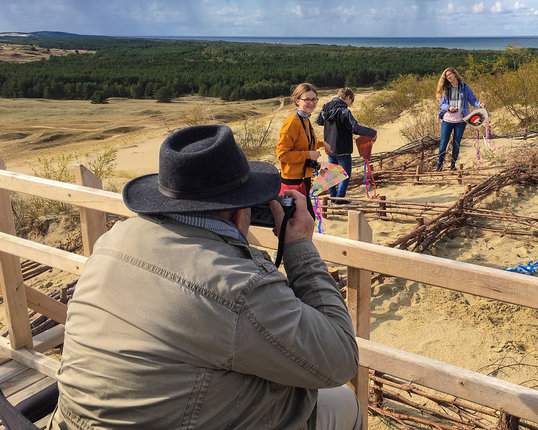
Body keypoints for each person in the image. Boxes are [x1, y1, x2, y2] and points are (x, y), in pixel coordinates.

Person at [47, 124, 362, 429]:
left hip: (69, 420)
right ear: (240, 211)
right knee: (343, 402)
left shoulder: (112, 240)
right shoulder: (236, 286)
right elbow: (341, 359)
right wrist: (299, 250)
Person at [277, 83, 331, 217]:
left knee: (305, 220)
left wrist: (320, 143)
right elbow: (282, 154)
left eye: (314, 99)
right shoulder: (292, 123)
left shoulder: (305, 119)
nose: (311, 103)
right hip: (293, 182)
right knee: (299, 220)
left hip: (303, 179)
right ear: (297, 100)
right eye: (307, 99)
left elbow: (303, 143)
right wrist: (308, 154)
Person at [316, 87, 377, 203]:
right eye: (351, 101)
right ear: (348, 97)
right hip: (343, 146)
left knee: (330, 173)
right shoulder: (344, 110)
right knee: (345, 174)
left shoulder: (326, 107)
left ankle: (333, 198)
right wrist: (372, 132)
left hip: (329, 146)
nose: (350, 104)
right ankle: (340, 199)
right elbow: (355, 127)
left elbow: (319, 121)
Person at [434, 67, 486, 171]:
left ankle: (452, 166)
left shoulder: (465, 87)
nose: (448, 77)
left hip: (461, 121)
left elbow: (473, 100)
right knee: (443, 142)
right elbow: (442, 104)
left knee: (457, 144)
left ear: (455, 74)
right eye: (446, 76)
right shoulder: (446, 89)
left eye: (450, 75)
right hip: (447, 120)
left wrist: (480, 104)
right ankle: (439, 164)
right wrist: (449, 107)